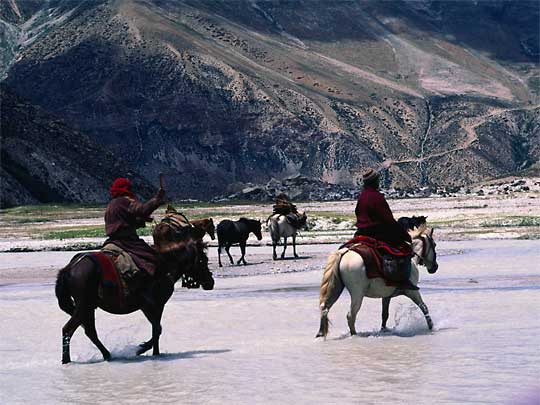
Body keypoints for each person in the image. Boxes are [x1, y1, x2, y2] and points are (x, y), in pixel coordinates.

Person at [354, 168, 417, 290]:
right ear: (374, 182)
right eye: (377, 180)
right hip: (377, 233)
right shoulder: (377, 197)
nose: (379, 182)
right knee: (402, 249)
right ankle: (403, 280)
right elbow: (388, 219)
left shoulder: (361, 197)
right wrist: (402, 234)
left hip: (361, 232)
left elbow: (358, 213)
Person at [104, 177, 165, 278]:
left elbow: (121, 221)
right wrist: (156, 200)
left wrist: (140, 220)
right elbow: (142, 210)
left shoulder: (111, 204)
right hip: (127, 241)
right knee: (152, 257)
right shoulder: (125, 201)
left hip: (112, 240)